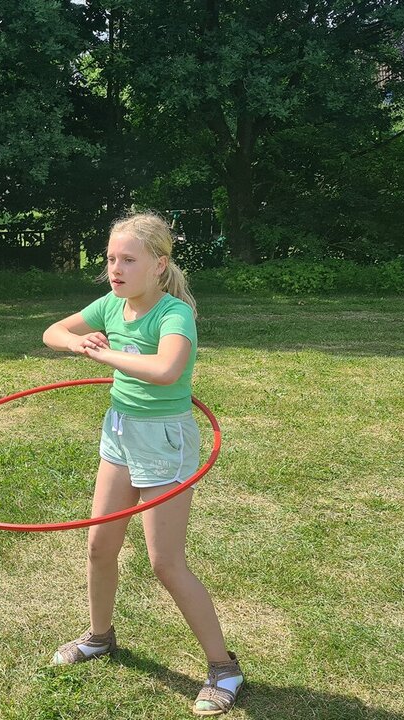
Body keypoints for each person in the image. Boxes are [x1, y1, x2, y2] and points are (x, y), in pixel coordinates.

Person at [42, 212, 243, 716]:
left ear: (159, 264)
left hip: (164, 440)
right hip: (120, 432)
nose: (115, 268)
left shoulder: (174, 315)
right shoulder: (113, 304)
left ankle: (224, 667)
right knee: (98, 544)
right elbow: (52, 332)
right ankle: (100, 636)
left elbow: (166, 369)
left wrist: (106, 357)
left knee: (165, 562)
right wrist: (77, 342)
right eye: (111, 258)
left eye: (128, 259)